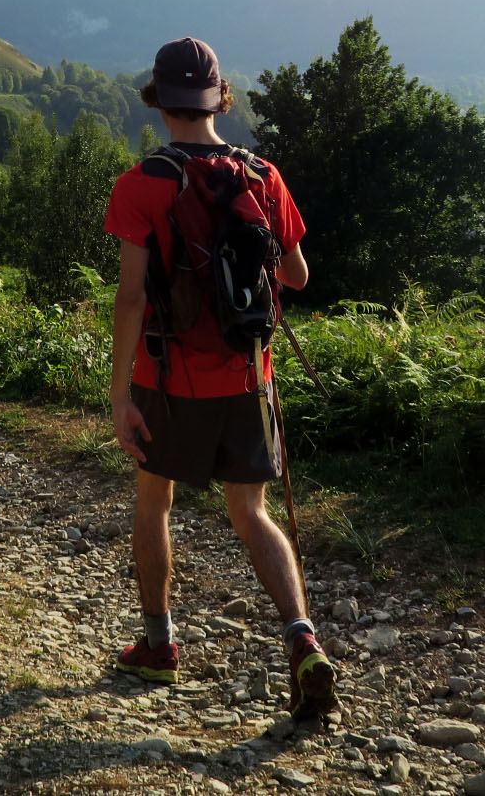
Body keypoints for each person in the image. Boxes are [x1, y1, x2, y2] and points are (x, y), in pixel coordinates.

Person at [101, 36, 338, 719]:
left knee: (154, 503)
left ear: (157, 100)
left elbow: (131, 298)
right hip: (247, 377)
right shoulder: (261, 175)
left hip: (166, 379)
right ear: (219, 99)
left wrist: (118, 396)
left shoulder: (141, 183)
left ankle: (158, 647)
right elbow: (297, 276)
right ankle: (302, 640)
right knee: (252, 513)